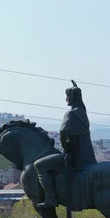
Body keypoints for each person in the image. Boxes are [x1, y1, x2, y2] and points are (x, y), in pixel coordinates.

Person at [34, 80, 96, 208]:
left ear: (73, 97)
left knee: (39, 165)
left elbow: (63, 131)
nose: (66, 99)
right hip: (87, 155)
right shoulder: (82, 112)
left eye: (68, 96)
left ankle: (50, 199)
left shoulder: (71, 113)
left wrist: (65, 147)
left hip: (74, 156)